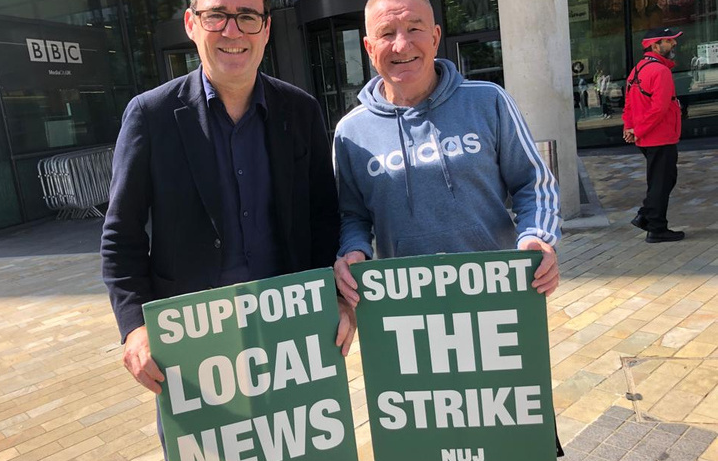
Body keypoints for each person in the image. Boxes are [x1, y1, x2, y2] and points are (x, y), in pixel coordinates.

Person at [100, 0, 354, 454]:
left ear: (266, 29)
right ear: (191, 23)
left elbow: (322, 216)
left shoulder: (301, 110)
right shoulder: (150, 115)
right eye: (216, 15)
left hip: (290, 335)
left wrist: (332, 297)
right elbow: (122, 235)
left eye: (247, 17)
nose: (232, 31)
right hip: (193, 345)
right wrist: (135, 327)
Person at [333, 0, 563, 455]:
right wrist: (354, 250)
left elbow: (533, 183)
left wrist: (537, 236)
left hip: (496, 311)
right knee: (427, 444)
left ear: (436, 37)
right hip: (406, 321)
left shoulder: (488, 101)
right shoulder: (350, 132)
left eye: (414, 28)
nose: (402, 45)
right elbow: (350, 214)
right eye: (387, 34)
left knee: (515, 438)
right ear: (368, 47)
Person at [623, 27, 685, 243]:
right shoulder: (660, 71)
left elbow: (628, 104)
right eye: (669, 40)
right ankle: (656, 228)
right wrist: (636, 130)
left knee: (662, 180)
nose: (674, 43)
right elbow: (659, 109)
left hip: (648, 137)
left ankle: (646, 216)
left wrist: (630, 128)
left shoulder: (637, 70)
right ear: (655, 46)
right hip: (660, 136)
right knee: (661, 182)